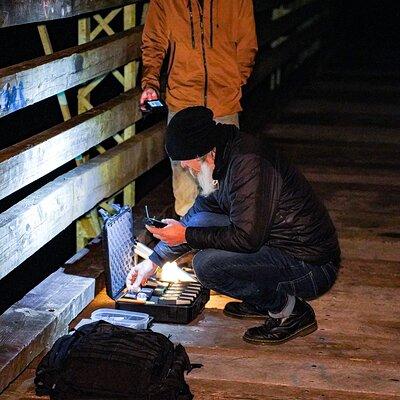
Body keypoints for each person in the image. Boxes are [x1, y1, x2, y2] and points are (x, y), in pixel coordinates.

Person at [127, 107, 341, 345]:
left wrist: (186, 235)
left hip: (312, 267)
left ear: (205, 154)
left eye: (187, 164)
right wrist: (154, 260)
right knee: (201, 221)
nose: (186, 169)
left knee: (207, 266)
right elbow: (201, 213)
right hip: (280, 244)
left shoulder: (248, 164)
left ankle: (290, 312)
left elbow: (247, 238)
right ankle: (264, 299)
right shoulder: (225, 154)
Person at [140, 0, 258, 216]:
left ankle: (223, 242)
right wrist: (150, 83)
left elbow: (247, 44)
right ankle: (187, 240)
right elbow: (154, 43)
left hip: (223, 102)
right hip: (183, 98)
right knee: (185, 187)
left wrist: (234, 81)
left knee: (226, 181)